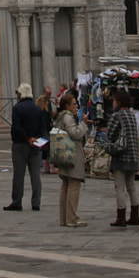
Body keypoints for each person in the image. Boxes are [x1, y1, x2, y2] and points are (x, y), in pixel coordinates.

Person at [6, 82, 49, 212]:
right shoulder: (37, 108)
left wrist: (27, 138)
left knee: (19, 174)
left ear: (21, 94)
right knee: (35, 174)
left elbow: (17, 127)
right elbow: (43, 128)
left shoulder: (17, 108)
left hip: (20, 144)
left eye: (18, 93)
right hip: (35, 144)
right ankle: (36, 202)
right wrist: (36, 139)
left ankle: (17, 201)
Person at [106, 87, 139, 228]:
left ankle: (121, 216)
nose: (113, 103)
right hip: (133, 155)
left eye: (115, 100)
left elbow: (110, 135)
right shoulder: (132, 115)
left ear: (119, 101)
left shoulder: (117, 116)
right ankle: (135, 216)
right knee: (131, 186)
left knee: (120, 187)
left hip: (121, 156)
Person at [51, 91, 86, 226]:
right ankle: (71, 218)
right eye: (74, 104)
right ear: (67, 105)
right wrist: (83, 124)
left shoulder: (60, 116)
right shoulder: (68, 117)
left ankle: (64, 218)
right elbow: (75, 134)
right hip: (72, 154)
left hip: (62, 154)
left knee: (65, 185)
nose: (76, 106)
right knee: (74, 184)